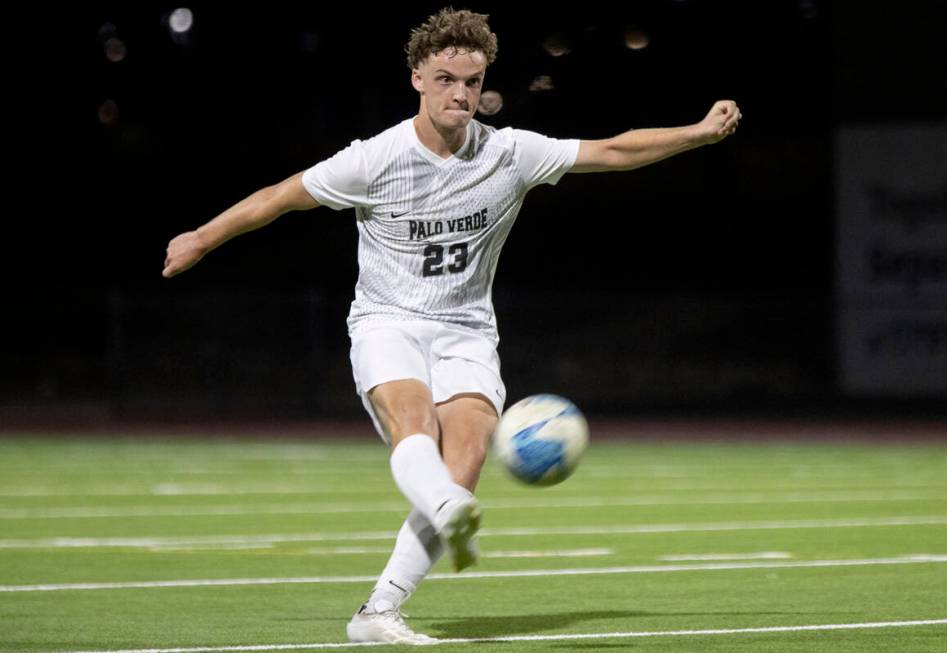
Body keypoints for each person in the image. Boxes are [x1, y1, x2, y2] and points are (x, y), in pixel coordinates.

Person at [163, 7, 741, 645]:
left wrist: (696, 133)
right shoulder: (376, 159)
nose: (460, 93)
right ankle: (442, 510)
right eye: (445, 79)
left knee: (462, 461)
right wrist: (202, 237)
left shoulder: (510, 153)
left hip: (466, 331)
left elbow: (611, 149)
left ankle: (378, 612)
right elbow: (279, 195)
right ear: (417, 77)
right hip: (389, 321)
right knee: (414, 425)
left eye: (471, 81)